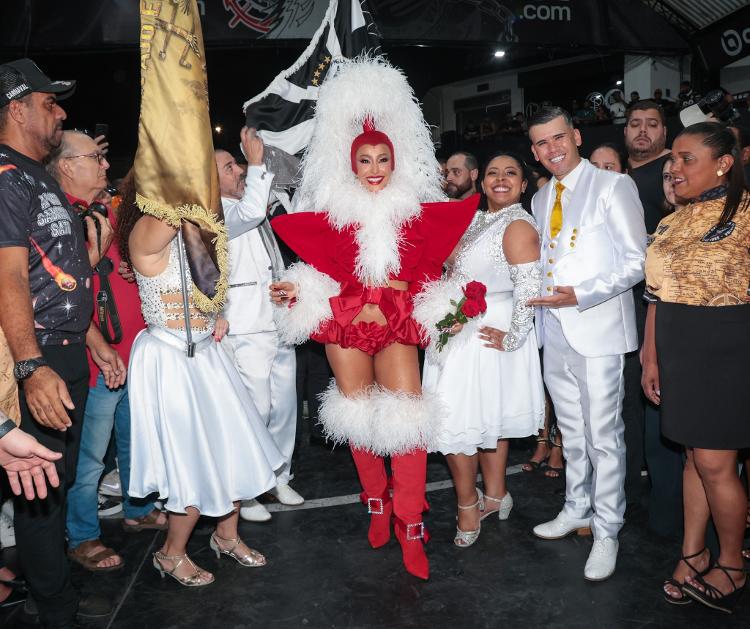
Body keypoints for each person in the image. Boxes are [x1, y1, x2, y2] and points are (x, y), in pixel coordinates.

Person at [269, 56, 477, 580]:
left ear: (396, 158)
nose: (376, 167)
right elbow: (315, 266)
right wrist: (296, 288)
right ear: (351, 162)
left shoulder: (417, 206)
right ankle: (376, 502)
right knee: (357, 415)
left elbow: (433, 268)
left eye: (384, 157)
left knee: (406, 419)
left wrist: (450, 297)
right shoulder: (330, 206)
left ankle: (410, 520)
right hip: (345, 319)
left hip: (398, 317)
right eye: (366, 159)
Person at [0, 58, 125, 628]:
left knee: (52, 484)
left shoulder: (39, 175)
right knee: (38, 490)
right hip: (36, 356)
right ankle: (54, 610)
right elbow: (10, 276)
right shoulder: (5, 174)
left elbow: (62, 275)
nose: (61, 110)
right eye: (50, 103)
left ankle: (43, 590)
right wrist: (30, 365)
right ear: (16, 107)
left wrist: (93, 338)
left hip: (66, 350)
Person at [117, 181, 285, 586]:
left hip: (207, 353)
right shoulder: (147, 228)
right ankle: (170, 553)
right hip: (171, 362)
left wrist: (214, 316)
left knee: (235, 448)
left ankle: (226, 536)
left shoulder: (193, 229)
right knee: (190, 463)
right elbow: (177, 212)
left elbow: (202, 283)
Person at [526, 106, 647, 581]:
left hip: (597, 328)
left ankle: (607, 528)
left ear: (576, 136)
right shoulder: (540, 198)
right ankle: (576, 506)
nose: (551, 149)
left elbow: (636, 261)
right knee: (571, 431)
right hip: (553, 329)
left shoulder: (613, 186)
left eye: (558, 138)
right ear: (533, 152)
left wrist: (583, 294)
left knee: (604, 435)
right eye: (540, 143)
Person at [46, 132, 166, 575]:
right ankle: (82, 535)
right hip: (99, 363)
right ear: (64, 166)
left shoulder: (109, 211)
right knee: (90, 457)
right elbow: (62, 297)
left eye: (103, 156)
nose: (103, 165)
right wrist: (98, 347)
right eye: (94, 158)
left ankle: (137, 508)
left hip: (135, 353)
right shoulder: (58, 220)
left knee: (137, 441)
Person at [641, 123, 750, 612]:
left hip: (729, 348)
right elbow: (656, 297)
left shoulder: (746, 212)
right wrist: (650, 353)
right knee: (692, 458)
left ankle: (732, 562)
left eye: (687, 159)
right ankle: (693, 551)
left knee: (714, 461)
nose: (675, 168)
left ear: (723, 162)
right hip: (677, 347)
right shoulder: (671, 221)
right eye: (673, 161)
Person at [420, 151, 544, 546]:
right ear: (482, 180)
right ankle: (495, 495)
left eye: (511, 173)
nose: (501, 179)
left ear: (524, 184)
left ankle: (467, 504)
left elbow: (529, 290)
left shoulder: (518, 225)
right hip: (462, 327)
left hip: (487, 330)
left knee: (456, 423)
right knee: (488, 416)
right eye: (494, 172)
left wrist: (514, 337)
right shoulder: (475, 218)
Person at [215, 129, 304, 524]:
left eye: (238, 165)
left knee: (285, 408)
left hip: (277, 321)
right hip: (245, 327)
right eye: (229, 166)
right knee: (255, 409)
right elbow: (249, 213)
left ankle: (278, 476)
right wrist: (255, 163)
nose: (237, 170)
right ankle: (246, 490)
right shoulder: (216, 213)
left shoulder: (253, 207)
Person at [623, 99, 682, 536]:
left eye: (652, 124)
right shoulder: (616, 181)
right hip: (628, 317)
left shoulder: (678, 186)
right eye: (635, 124)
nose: (643, 131)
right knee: (632, 410)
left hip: (680, 324)